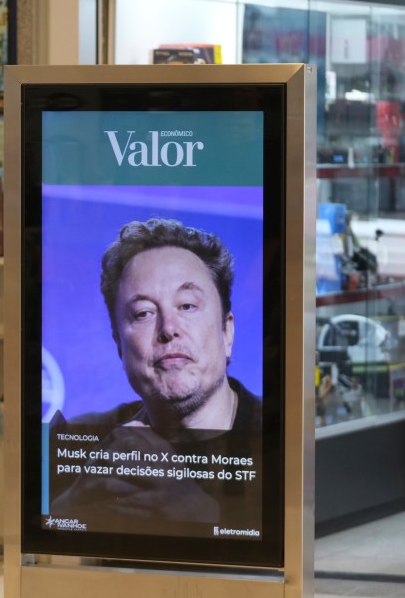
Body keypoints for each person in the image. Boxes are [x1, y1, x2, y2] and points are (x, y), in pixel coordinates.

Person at [49, 218, 261, 531]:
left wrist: (198, 513)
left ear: (227, 331)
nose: (169, 329)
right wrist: (73, 504)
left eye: (187, 305)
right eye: (143, 313)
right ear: (119, 344)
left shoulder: (283, 438)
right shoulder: (83, 437)